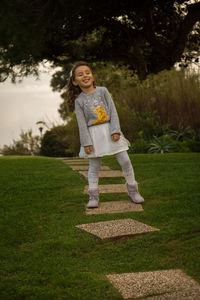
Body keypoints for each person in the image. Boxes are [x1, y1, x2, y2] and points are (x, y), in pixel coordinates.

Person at [66, 61, 144, 208]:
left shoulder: (103, 91)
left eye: (87, 73)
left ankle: (133, 191)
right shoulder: (79, 101)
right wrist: (86, 142)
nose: (85, 76)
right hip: (93, 135)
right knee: (94, 166)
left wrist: (115, 130)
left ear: (93, 76)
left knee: (125, 161)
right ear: (75, 82)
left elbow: (113, 111)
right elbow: (81, 124)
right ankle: (93, 196)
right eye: (80, 74)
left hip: (110, 131)